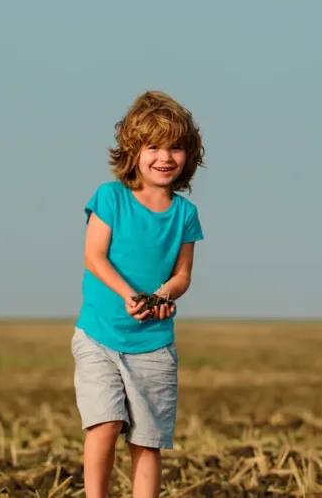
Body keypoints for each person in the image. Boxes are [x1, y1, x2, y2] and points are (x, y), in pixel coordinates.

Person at [71, 90, 205, 498]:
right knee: (105, 424)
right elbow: (94, 257)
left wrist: (163, 295)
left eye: (176, 148)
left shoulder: (185, 214)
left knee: (147, 442)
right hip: (99, 335)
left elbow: (182, 275)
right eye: (154, 146)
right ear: (133, 150)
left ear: (188, 156)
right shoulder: (110, 197)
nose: (165, 157)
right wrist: (131, 295)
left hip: (153, 345)